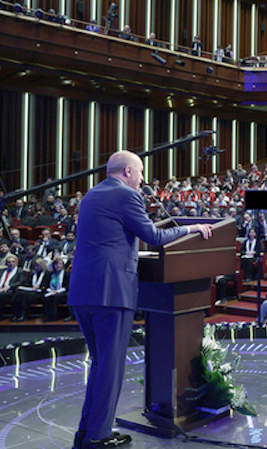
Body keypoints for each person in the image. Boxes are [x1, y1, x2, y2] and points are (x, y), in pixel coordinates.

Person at [67, 150, 212, 449]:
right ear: (128, 171)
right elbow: (153, 237)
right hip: (111, 292)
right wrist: (192, 228)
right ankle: (97, 437)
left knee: (100, 364)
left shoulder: (91, 194)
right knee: (110, 368)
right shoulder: (126, 195)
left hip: (83, 291)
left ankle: (87, 432)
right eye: (141, 172)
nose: (143, 179)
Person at [10, 257, 50, 321]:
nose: (36, 267)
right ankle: (16, 314)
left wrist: (39, 286)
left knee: (26, 295)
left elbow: (46, 284)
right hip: (31, 289)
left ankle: (23, 314)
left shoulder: (47, 273)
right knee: (19, 293)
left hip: (40, 291)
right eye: (35, 266)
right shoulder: (32, 273)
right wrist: (32, 286)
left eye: (38, 266)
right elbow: (27, 283)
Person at [43, 257, 69, 321]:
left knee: (55, 297)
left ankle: (54, 316)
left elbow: (67, 287)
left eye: (60, 264)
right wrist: (51, 291)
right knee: (46, 297)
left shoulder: (66, 274)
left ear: (63, 265)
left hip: (62, 291)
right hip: (51, 291)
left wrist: (57, 291)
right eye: (56, 264)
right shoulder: (50, 274)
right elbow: (46, 285)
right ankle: (47, 315)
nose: (58, 265)